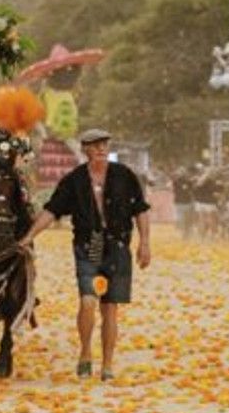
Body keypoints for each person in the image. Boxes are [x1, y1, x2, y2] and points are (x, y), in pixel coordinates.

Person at [18, 128, 151, 381]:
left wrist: (145, 243)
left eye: (104, 143)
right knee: (88, 301)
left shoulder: (124, 176)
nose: (101, 148)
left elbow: (141, 210)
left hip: (118, 246)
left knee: (110, 308)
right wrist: (28, 237)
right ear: (85, 149)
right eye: (95, 144)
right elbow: (51, 211)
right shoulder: (74, 181)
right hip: (89, 246)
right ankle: (86, 352)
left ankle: (108, 364)